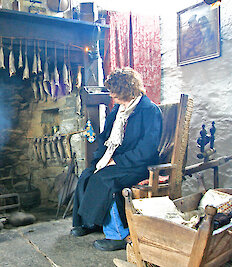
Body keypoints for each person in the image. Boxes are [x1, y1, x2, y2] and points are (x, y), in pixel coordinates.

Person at [70, 67, 163, 251]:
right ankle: (90, 223)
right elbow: (106, 137)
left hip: (139, 164)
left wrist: (117, 161)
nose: (113, 97)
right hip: (117, 159)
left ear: (128, 90)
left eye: (116, 94)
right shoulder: (119, 110)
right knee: (88, 174)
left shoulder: (149, 111)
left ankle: (118, 235)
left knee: (105, 181)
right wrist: (100, 159)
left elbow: (147, 148)